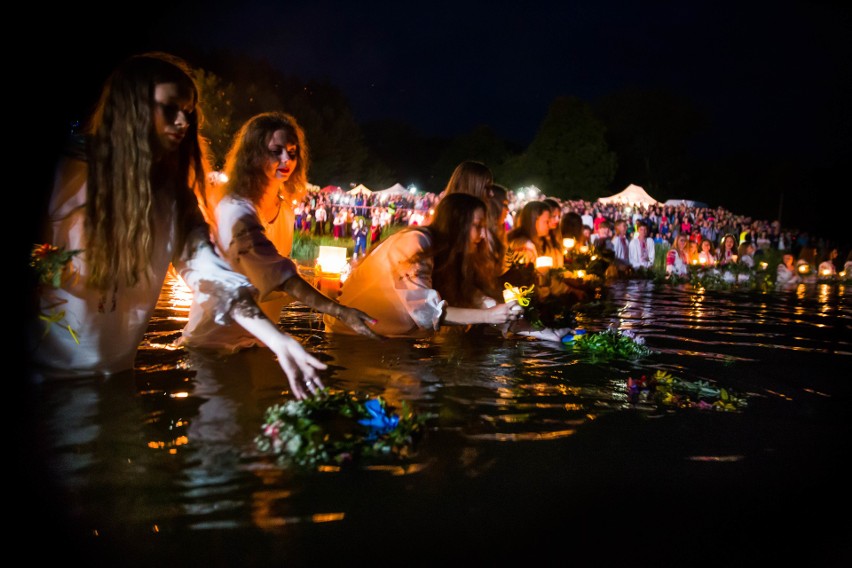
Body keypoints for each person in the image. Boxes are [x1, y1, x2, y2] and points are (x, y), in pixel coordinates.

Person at [28, 53, 326, 399]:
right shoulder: (67, 173)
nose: (183, 121)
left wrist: (278, 340)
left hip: (119, 380)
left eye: (189, 111)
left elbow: (215, 278)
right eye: (171, 107)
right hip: (41, 380)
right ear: (132, 106)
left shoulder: (174, 198)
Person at [180, 111, 381, 353]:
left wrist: (319, 287)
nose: (286, 159)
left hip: (260, 342)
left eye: (292, 152)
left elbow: (271, 281)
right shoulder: (235, 210)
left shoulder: (286, 211)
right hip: (214, 342)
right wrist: (338, 310)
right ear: (252, 155)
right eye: (276, 151)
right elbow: (279, 277)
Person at [324, 193, 523, 338]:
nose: (483, 236)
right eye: (478, 226)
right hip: (352, 339)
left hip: (390, 342)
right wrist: (489, 316)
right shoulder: (414, 243)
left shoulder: (449, 255)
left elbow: (472, 296)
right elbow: (427, 312)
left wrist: (512, 317)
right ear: (457, 224)